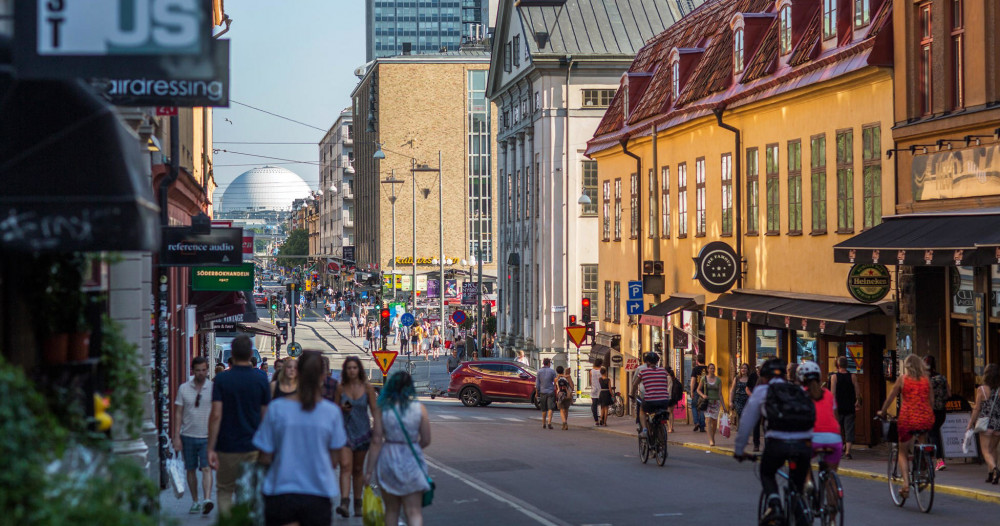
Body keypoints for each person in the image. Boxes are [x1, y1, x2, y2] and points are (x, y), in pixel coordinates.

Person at [253, 351, 347, 526]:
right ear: (323, 376)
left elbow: (265, 455)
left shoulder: (277, 408)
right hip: (318, 492)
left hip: (280, 490)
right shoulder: (331, 413)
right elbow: (335, 460)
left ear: (298, 373)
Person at [734, 358, 813, 525]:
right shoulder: (798, 390)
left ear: (764, 377)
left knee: (767, 472)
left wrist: (740, 450)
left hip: (777, 443)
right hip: (803, 445)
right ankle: (801, 512)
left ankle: (775, 504)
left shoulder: (763, 391)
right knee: (797, 489)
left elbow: (747, 421)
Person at [207, 335, 271, 515]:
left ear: (232, 355)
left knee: (225, 490)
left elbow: (216, 415)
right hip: (253, 446)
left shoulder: (221, 380)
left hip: (227, 446)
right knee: (248, 491)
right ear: (251, 354)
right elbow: (266, 415)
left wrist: (211, 447)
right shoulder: (260, 378)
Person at [366, 372, 432, 526]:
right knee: (414, 511)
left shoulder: (382, 409)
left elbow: (376, 440)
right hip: (411, 459)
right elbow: (427, 439)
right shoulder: (420, 409)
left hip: (388, 458)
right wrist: (414, 447)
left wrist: (369, 471)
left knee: (391, 510)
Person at [878, 354, 935, 500]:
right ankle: (923, 468)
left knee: (902, 452)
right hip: (925, 418)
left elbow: (891, 397)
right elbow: (932, 401)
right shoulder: (926, 380)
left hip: (908, 419)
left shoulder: (903, 379)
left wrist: (882, 411)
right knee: (922, 442)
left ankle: (906, 483)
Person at [334, 356, 383, 517]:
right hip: (345, 432)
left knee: (357, 469)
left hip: (362, 433)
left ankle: (358, 503)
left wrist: (377, 428)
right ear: (345, 371)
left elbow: (374, 409)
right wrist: (342, 407)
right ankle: (344, 503)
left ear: (359, 370)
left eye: (355, 367)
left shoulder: (367, 388)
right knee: (346, 466)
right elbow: (334, 410)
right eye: (349, 368)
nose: (352, 370)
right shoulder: (340, 388)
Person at [172, 357, 215, 515]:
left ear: (207, 370)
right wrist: (176, 436)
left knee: (206, 468)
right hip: (188, 435)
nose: (201, 373)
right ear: (193, 370)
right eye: (198, 370)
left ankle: (207, 499)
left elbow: (217, 412)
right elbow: (178, 413)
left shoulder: (212, 388)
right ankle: (195, 501)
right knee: (190, 469)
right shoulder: (184, 388)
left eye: (204, 370)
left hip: (207, 436)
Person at [798, 361, 842, 472]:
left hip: (812, 438)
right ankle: (833, 486)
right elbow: (836, 417)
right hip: (834, 439)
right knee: (831, 476)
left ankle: (807, 483)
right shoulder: (828, 394)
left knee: (800, 462)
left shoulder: (801, 394)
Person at [967, 363, 1000, 484]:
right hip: (998, 422)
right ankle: (991, 474)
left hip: (986, 422)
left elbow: (976, 409)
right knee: (993, 449)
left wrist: (970, 423)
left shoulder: (981, 390)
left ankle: (995, 469)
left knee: (985, 451)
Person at [630, 352, 671, 438]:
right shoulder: (663, 371)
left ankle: (644, 429)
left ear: (647, 362)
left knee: (642, 411)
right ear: (657, 361)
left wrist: (632, 395)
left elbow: (634, 385)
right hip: (664, 400)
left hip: (650, 400)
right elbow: (666, 384)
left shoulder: (643, 372)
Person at [830, 356, 861, 460]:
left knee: (838, 429)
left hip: (838, 407)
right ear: (847, 365)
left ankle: (839, 450)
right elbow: (857, 391)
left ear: (838, 365)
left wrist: (831, 405)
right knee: (849, 429)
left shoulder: (834, 377)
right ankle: (847, 451)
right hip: (849, 406)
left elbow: (833, 393)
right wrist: (857, 401)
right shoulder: (852, 376)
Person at [924, 355, 950, 471]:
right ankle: (931, 457)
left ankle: (939, 459)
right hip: (941, 411)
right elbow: (949, 394)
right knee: (934, 433)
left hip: (930, 410)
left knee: (933, 435)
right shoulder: (942, 378)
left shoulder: (925, 379)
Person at [696, 363, 727, 447]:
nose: (712, 370)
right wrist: (703, 395)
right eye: (711, 368)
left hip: (716, 403)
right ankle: (710, 440)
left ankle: (712, 437)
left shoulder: (718, 380)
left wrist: (724, 406)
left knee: (714, 422)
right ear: (708, 369)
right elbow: (698, 390)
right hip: (707, 402)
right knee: (708, 420)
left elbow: (720, 394)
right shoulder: (704, 379)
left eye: (713, 368)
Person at [535, 358, 557, 429]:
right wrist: (554, 388)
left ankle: (543, 423)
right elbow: (555, 381)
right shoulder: (552, 371)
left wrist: (536, 392)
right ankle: (549, 423)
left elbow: (537, 384)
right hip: (550, 391)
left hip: (542, 392)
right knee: (550, 408)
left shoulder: (539, 372)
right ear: (548, 363)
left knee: (544, 408)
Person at [730, 363, 751, 432]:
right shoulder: (737, 378)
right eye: (742, 368)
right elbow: (732, 390)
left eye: (745, 368)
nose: (743, 370)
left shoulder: (750, 379)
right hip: (738, 400)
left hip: (747, 400)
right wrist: (730, 401)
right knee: (741, 414)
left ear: (747, 370)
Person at [690, 355, 707, 432]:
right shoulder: (707, 369)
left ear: (697, 361)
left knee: (694, 406)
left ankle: (696, 422)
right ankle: (702, 426)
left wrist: (691, 391)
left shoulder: (695, 369)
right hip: (705, 391)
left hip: (697, 390)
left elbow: (693, 381)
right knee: (702, 408)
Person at [590, 359, 604, 426]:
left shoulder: (591, 371)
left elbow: (590, 381)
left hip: (594, 390)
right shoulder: (601, 371)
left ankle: (596, 420)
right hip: (601, 390)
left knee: (594, 406)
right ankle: (602, 419)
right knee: (602, 406)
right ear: (601, 364)